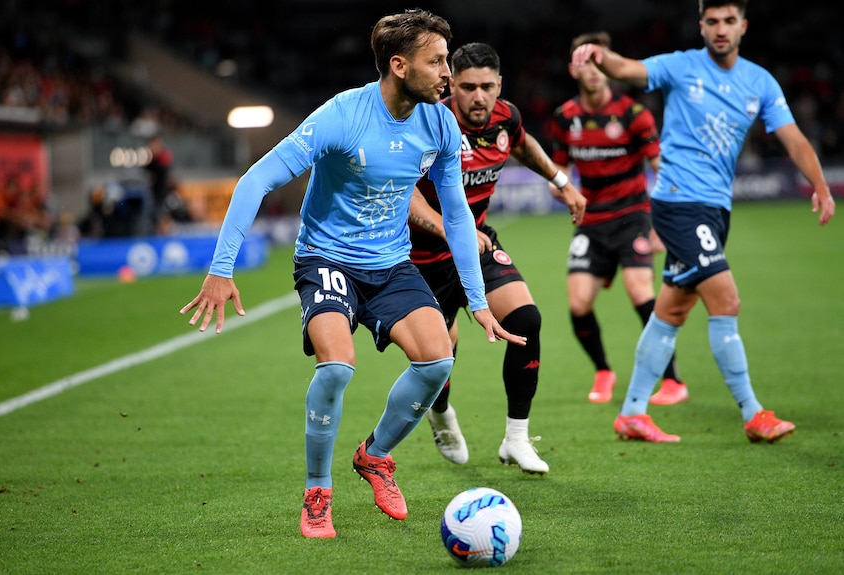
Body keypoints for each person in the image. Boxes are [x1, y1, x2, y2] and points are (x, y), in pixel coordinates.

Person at [180, 9, 525, 539]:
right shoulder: (342, 115)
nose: (447, 75)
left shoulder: (439, 121)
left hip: (390, 264)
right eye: (436, 63)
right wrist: (221, 269)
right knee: (337, 366)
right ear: (399, 65)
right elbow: (255, 180)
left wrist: (477, 299)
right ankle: (318, 491)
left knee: (437, 360)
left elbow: (456, 215)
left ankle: (375, 455)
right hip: (327, 259)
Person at [571, 0, 835, 443]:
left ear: (743, 26)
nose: (720, 29)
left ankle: (633, 411)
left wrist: (821, 187)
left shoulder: (760, 81)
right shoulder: (680, 66)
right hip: (678, 203)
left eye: (729, 21)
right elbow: (629, 69)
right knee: (726, 301)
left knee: (671, 310)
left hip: (714, 210)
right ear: (701, 26)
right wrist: (599, 55)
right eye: (711, 21)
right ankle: (753, 413)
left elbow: (793, 138)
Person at [409, 42, 586, 474]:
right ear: (452, 84)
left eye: (487, 86)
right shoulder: (428, 121)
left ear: (499, 86)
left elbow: (522, 145)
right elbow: (406, 195)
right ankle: (441, 411)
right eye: (468, 87)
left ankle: (516, 439)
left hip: (477, 242)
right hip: (420, 256)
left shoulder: (506, 117)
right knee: (438, 358)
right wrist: (454, 228)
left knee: (526, 320)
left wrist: (561, 179)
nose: (478, 97)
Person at [550, 32, 687, 406]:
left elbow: (661, 169)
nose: (594, 71)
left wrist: (663, 223)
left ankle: (673, 380)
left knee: (640, 291)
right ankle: (604, 370)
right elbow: (559, 171)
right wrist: (560, 187)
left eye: (600, 61)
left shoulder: (633, 113)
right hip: (592, 222)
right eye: (585, 63)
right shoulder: (565, 118)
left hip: (633, 217)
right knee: (578, 303)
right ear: (573, 70)